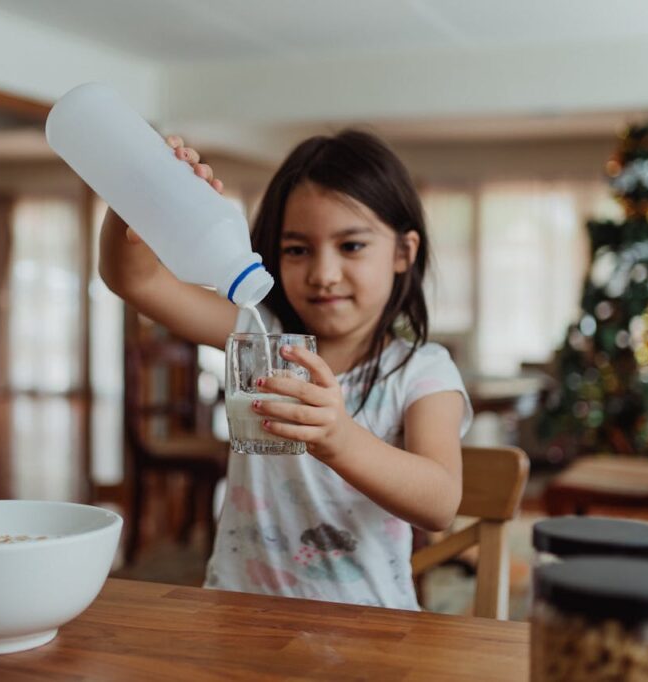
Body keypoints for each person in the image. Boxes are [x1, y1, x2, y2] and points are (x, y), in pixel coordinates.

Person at [99, 129, 472, 609]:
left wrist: (339, 437)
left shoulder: (422, 370)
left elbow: (439, 503)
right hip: (238, 615)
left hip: (369, 627)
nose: (323, 273)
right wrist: (136, 194)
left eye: (351, 246)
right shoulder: (260, 335)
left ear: (403, 252)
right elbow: (134, 278)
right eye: (297, 250)